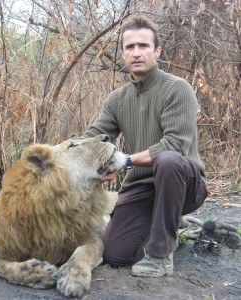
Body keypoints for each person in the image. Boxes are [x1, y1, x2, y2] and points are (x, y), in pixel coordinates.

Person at [81, 16, 208, 277]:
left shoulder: (178, 88)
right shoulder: (117, 99)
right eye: (130, 47)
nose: (136, 53)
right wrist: (58, 154)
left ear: (157, 51)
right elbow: (91, 140)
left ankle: (161, 255)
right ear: (123, 54)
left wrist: (123, 161)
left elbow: (174, 144)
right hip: (142, 186)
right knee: (116, 254)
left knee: (169, 160)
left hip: (184, 184)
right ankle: (178, 226)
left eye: (143, 45)